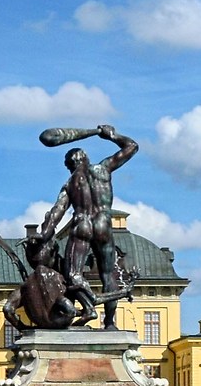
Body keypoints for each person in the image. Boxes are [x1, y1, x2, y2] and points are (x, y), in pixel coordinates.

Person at [37, 124, 139, 325]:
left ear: (70, 165)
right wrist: (111, 135)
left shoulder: (69, 184)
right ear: (85, 158)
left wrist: (44, 234)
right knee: (108, 275)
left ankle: (89, 307)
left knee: (72, 275)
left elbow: (57, 212)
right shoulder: (103, 168)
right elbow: (132, 146)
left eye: (68, 166)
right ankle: (109, 323)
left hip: (82, 224)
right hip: (103, 224)